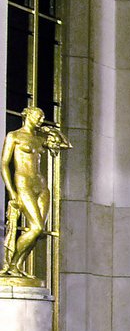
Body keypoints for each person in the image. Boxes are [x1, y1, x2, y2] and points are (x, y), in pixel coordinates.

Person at [0, 106, 70, 282]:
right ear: (27, 116)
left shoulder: (39, 139)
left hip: (41, 185)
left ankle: (17, 266)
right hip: (23, 183)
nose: (40, 120)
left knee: (39, 232)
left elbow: (66, 145)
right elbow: (4, 164)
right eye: (38, 117)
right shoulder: (14, 136)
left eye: (42, 117)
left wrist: (51, 130)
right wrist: (11, 191)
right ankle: (12, 264)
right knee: (36, 227)